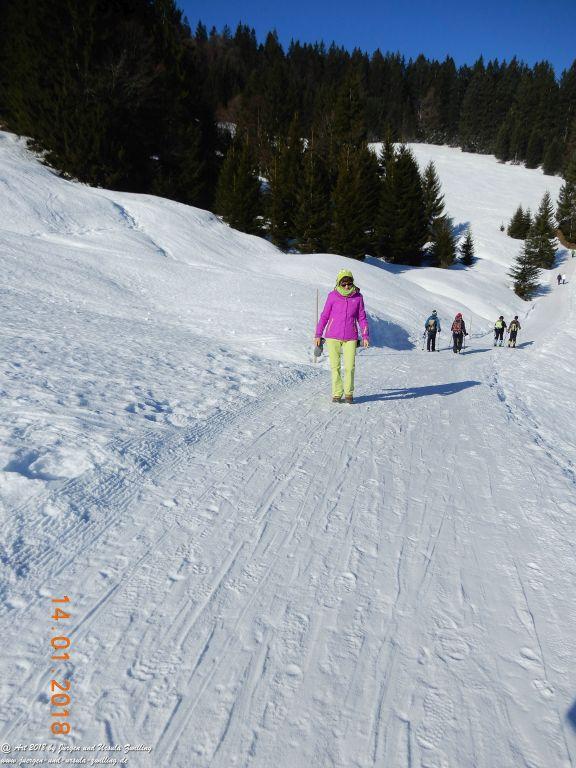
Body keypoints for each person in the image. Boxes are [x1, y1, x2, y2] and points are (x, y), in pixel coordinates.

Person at [315, 269, 369, 404]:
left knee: (350, 367)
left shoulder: (358, 297)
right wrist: (318, 334)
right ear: (338, 283)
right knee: (335, 367)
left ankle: (349, 394)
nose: (346, 286)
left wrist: (365, 335)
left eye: (349, 283)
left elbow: (362, 318)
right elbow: (324, 316)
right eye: (343, 283)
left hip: (351, 337)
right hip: (332, 336)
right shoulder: (332, 296)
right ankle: (337, 394)